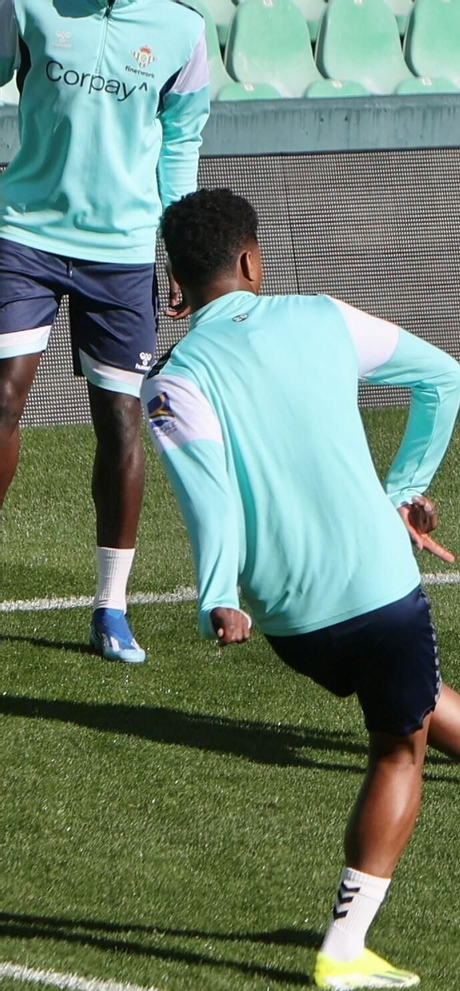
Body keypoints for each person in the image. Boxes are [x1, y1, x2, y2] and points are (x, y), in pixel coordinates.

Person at [147, 189, 460, 990]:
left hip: (289, 617)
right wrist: (402, 491)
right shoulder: (321, 316)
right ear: (250, 260)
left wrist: (218, 596)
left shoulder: (170, 381)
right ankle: (344, 947)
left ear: (177, 279)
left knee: (409, 696)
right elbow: (444, 378)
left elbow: (208, 495)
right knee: (397, 747)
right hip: (379, 583)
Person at [0, 0, 211, 660]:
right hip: (24, 234)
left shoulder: (184, 30)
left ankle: (110, 607)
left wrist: (181, 247)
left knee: (121, 422)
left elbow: (180, 142)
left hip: (123, 251)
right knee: (2, 397)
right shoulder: (28, 5)